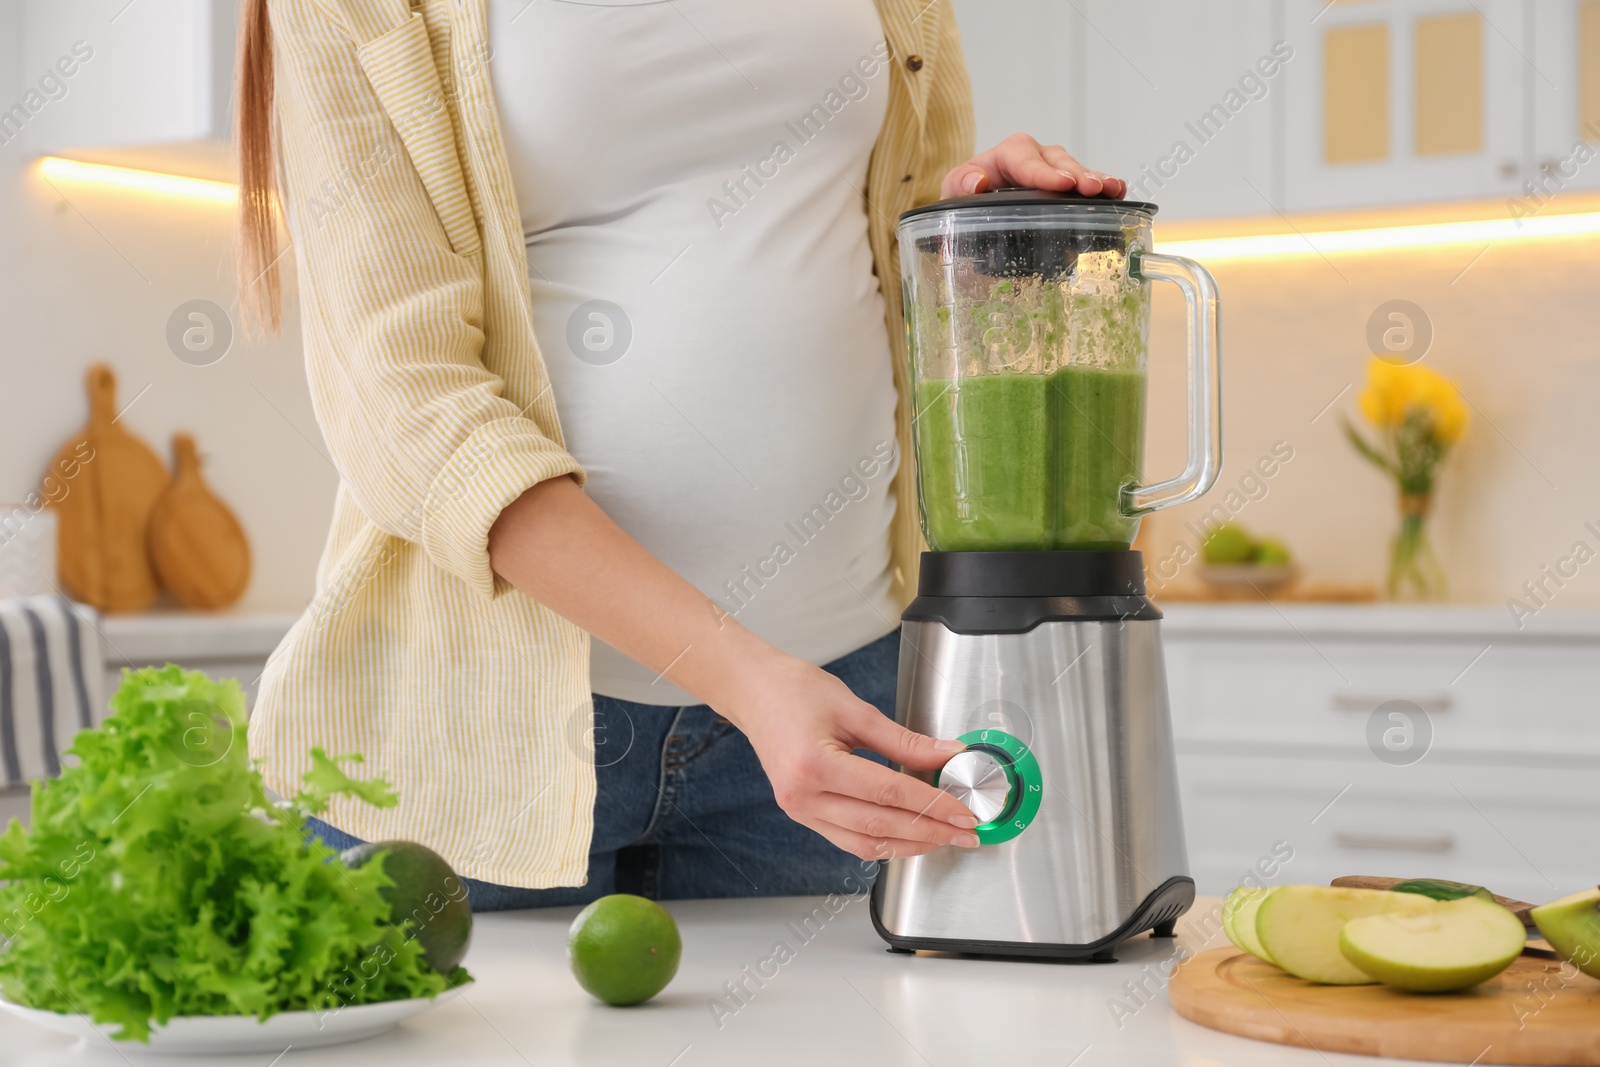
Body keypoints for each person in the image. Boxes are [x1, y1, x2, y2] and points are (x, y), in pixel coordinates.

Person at [236, 0, 1127, 909]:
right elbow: (408, 405)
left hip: (841, 691)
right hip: (479, 731)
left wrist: (974, 228)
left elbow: (880, 243)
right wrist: (745, 677)